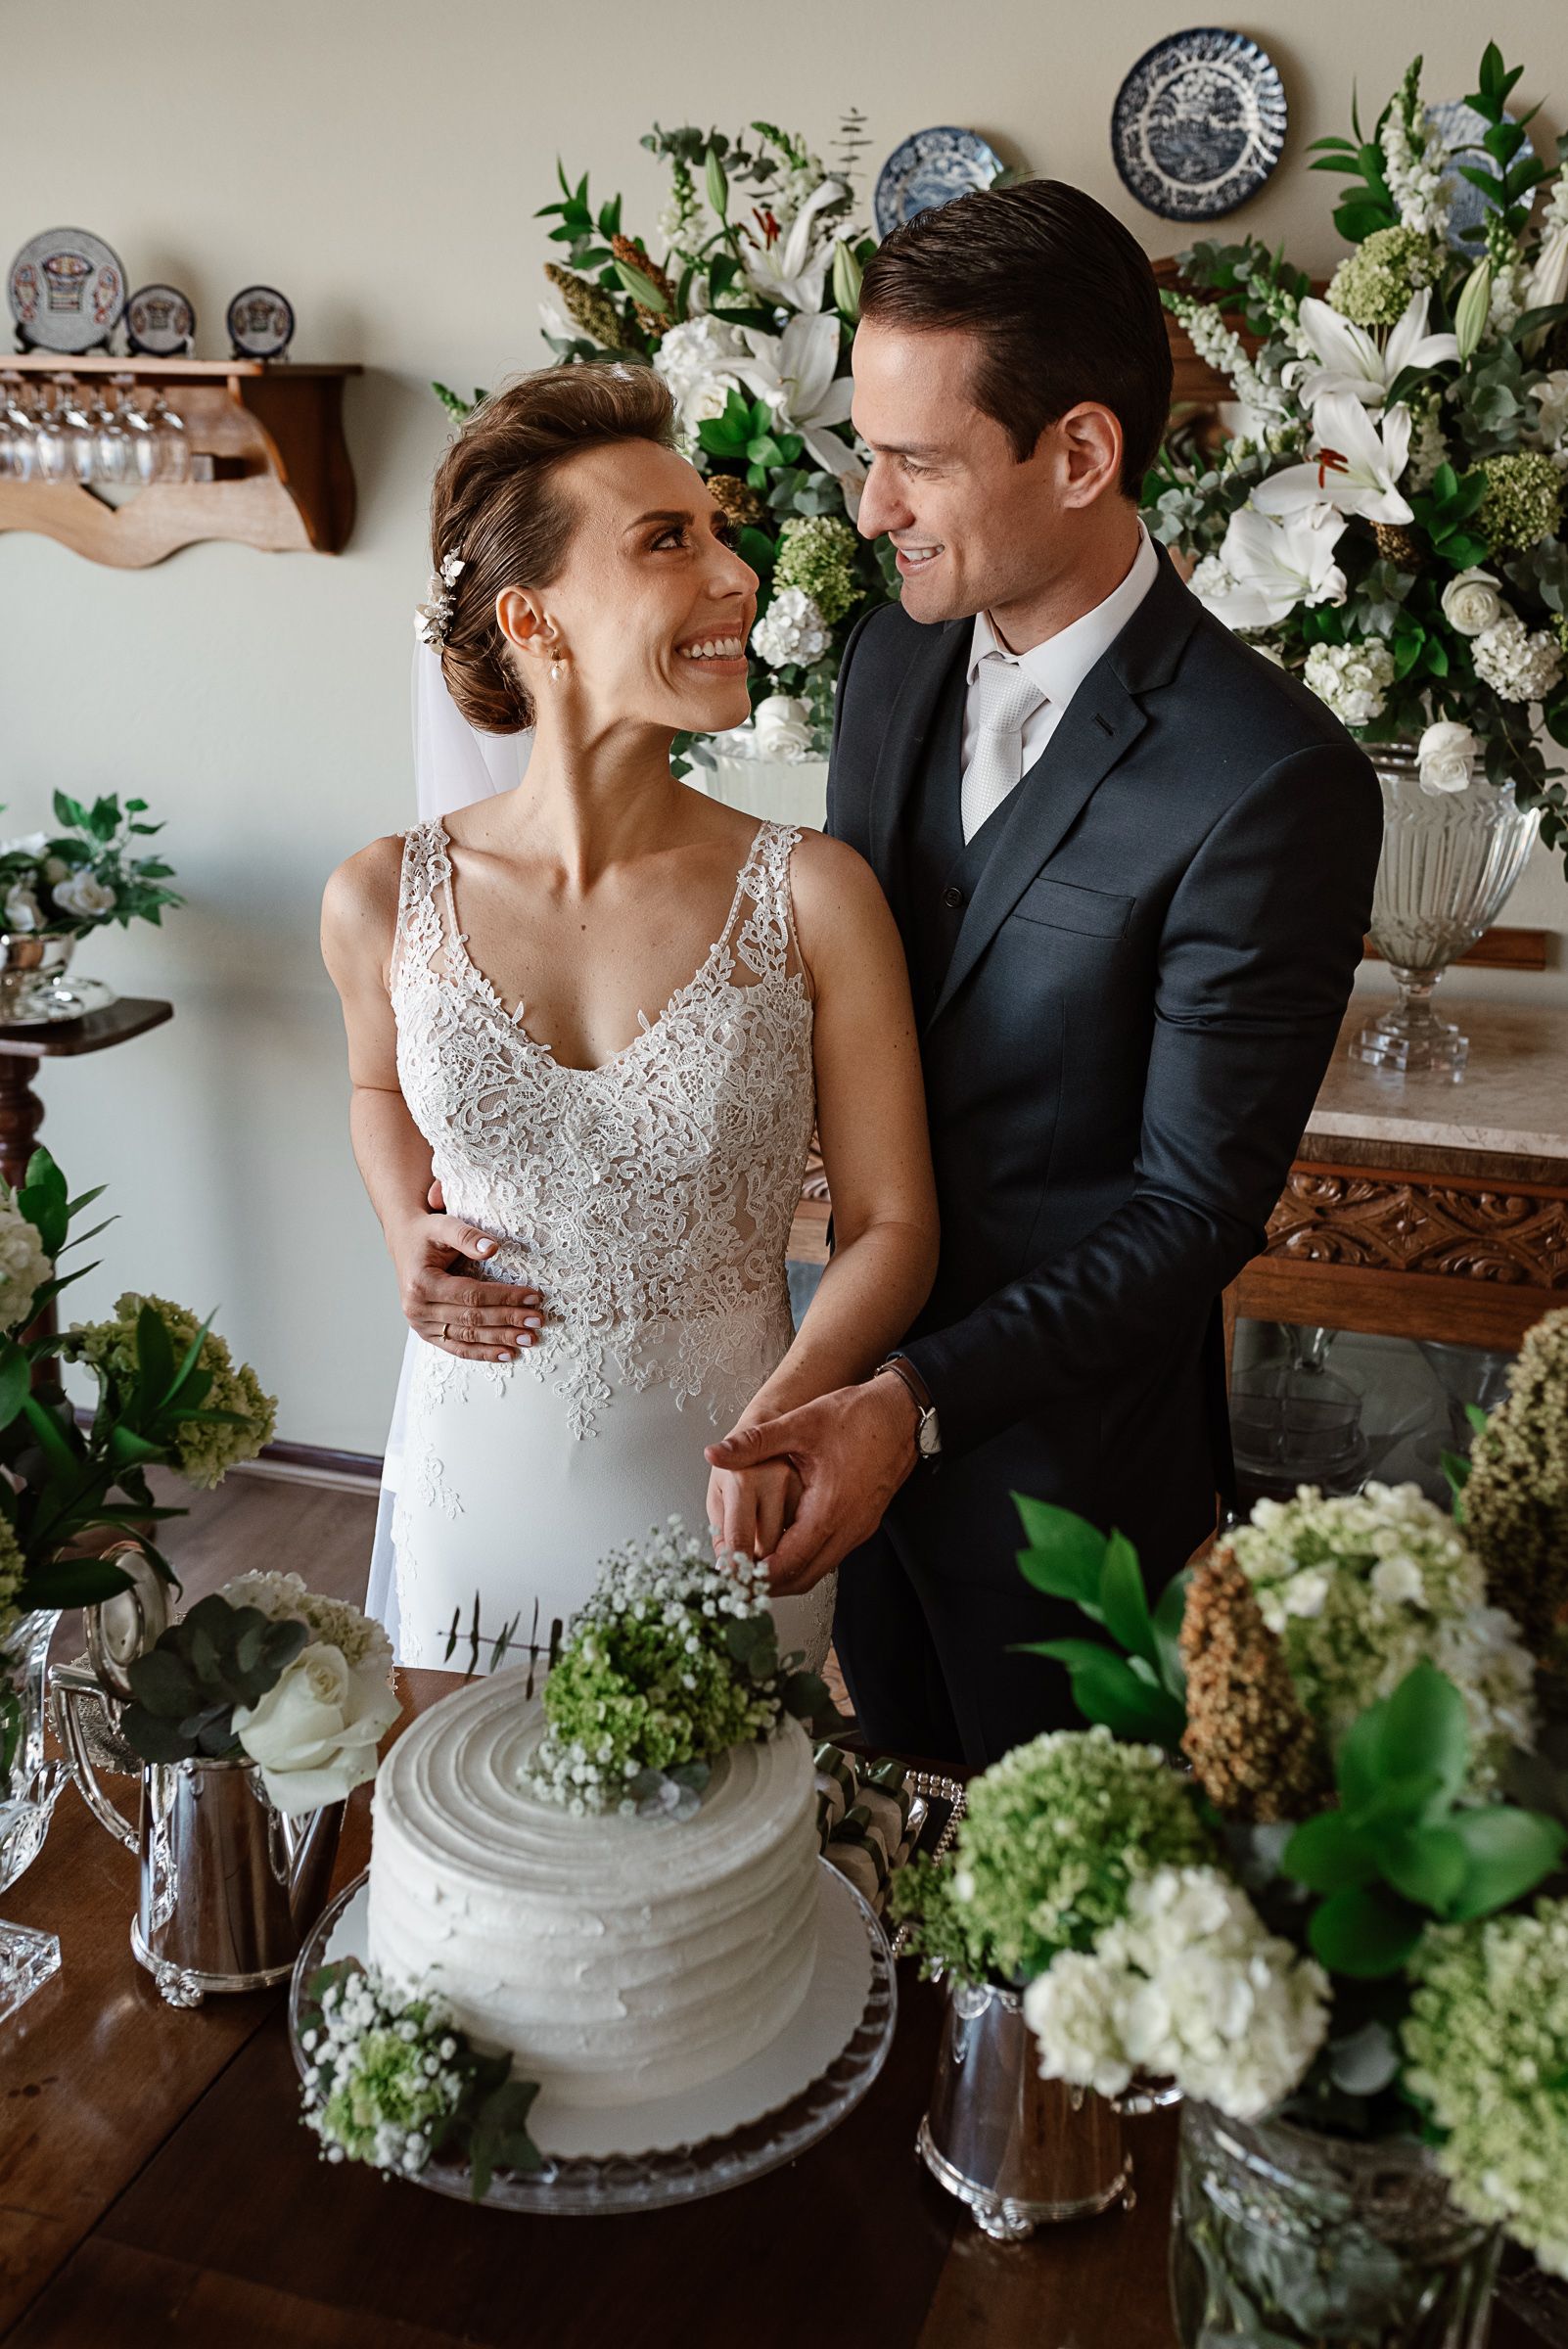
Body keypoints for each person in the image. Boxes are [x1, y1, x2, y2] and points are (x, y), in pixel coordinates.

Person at [707, 180, 1384, 1766]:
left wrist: (917, 1404)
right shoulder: (885, 664)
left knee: (1054, 1945)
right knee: (867, 1850)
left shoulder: (1268, 778)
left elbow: (1188, 1213)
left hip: (1074, 1492)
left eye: (915, 462)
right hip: (831, 1411)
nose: (871, 510)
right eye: (868, 453)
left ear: (1079, 453)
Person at [322, 365, 937, 1671]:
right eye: (669, 542)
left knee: (716, 1856)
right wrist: (400, 1232)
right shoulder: (382, 896)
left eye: (720, 533)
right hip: (471, 1475)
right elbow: (379, 1092)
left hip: (730, 1474)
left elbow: (892, 1226)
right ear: (532, 621)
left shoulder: (812, 895)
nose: (738, 576)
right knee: (467, 1829)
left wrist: (783, 1417)